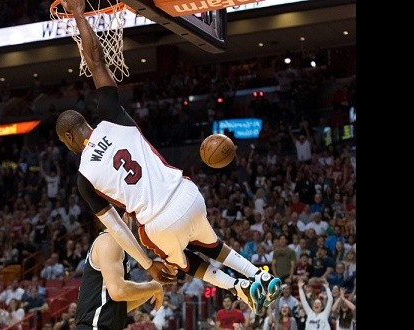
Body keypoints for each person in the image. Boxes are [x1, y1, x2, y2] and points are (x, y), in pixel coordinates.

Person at [55, 0, 281, 315]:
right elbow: (96, 63)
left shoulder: (84, 178)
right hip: (187, 193)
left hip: (159, 223)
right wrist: (79, 14)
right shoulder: (111, 116)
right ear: (86, 123)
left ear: (68, 139)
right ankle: (256, 274)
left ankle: (239, 287)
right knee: (210, 243)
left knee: (181, 262)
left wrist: (149, 265)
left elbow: (119, 230)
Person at [74, 212, 164, 329]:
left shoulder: (115, 244)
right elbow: (118, 291)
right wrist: (154, 287)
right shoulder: (110, 241)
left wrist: (153, 287)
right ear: (125, 216)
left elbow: (119, 307)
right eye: (132, 216)